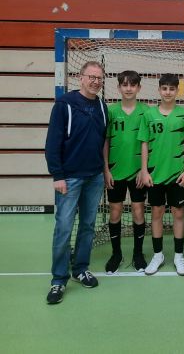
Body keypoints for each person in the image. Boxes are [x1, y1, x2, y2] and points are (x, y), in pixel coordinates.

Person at [45, 62, 107, 305]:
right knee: (64, 227)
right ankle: (58, 279)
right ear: (80, 78)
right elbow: (52, 143)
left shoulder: (102, 106)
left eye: (99, 78)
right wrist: (57, 175)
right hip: (69, 178)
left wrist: (103, 171)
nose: (95, 81)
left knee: (88, 226)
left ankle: (80, 269)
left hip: (94, 177)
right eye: (91, 77)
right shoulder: (64, 104)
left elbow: (102, 141)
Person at [138, 73, 184, 276]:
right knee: (157, 213)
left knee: (178, 214)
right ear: (159, 90)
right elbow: (144, 143)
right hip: (155, 174)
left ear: (177, 91)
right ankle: (158, 254)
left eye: (172, 89)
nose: (168, 92)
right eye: (164, 88)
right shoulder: (149, 115)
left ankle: (178, 255)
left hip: (177, 174)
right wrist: (144, 170)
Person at [103, 71, 149, 274]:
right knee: (115, 212)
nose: (128, 88)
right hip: (115, 172)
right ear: (118, 87)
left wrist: (144, 170)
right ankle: (116, 254)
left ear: (139, 88)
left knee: (138, 211)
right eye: (124, 84)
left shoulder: (146, 111)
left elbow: (149, 143)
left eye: (132, 85)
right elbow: (105, 142)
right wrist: (106, 169)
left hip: (138, 173)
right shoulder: (111, 111)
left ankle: (138, 254)